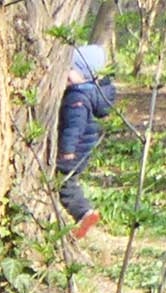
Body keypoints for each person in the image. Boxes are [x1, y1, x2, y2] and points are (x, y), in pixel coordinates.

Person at [58, 43, 116, 241]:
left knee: (64, 184)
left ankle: (84, 213)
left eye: (70, 70)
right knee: (67, 182)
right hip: (81, 150)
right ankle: (83, 214)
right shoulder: (89, 92)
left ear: (83, 74)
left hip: (73, 151)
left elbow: (74, 127)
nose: (65, 74)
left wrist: (66, 151)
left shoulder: (77, 97)